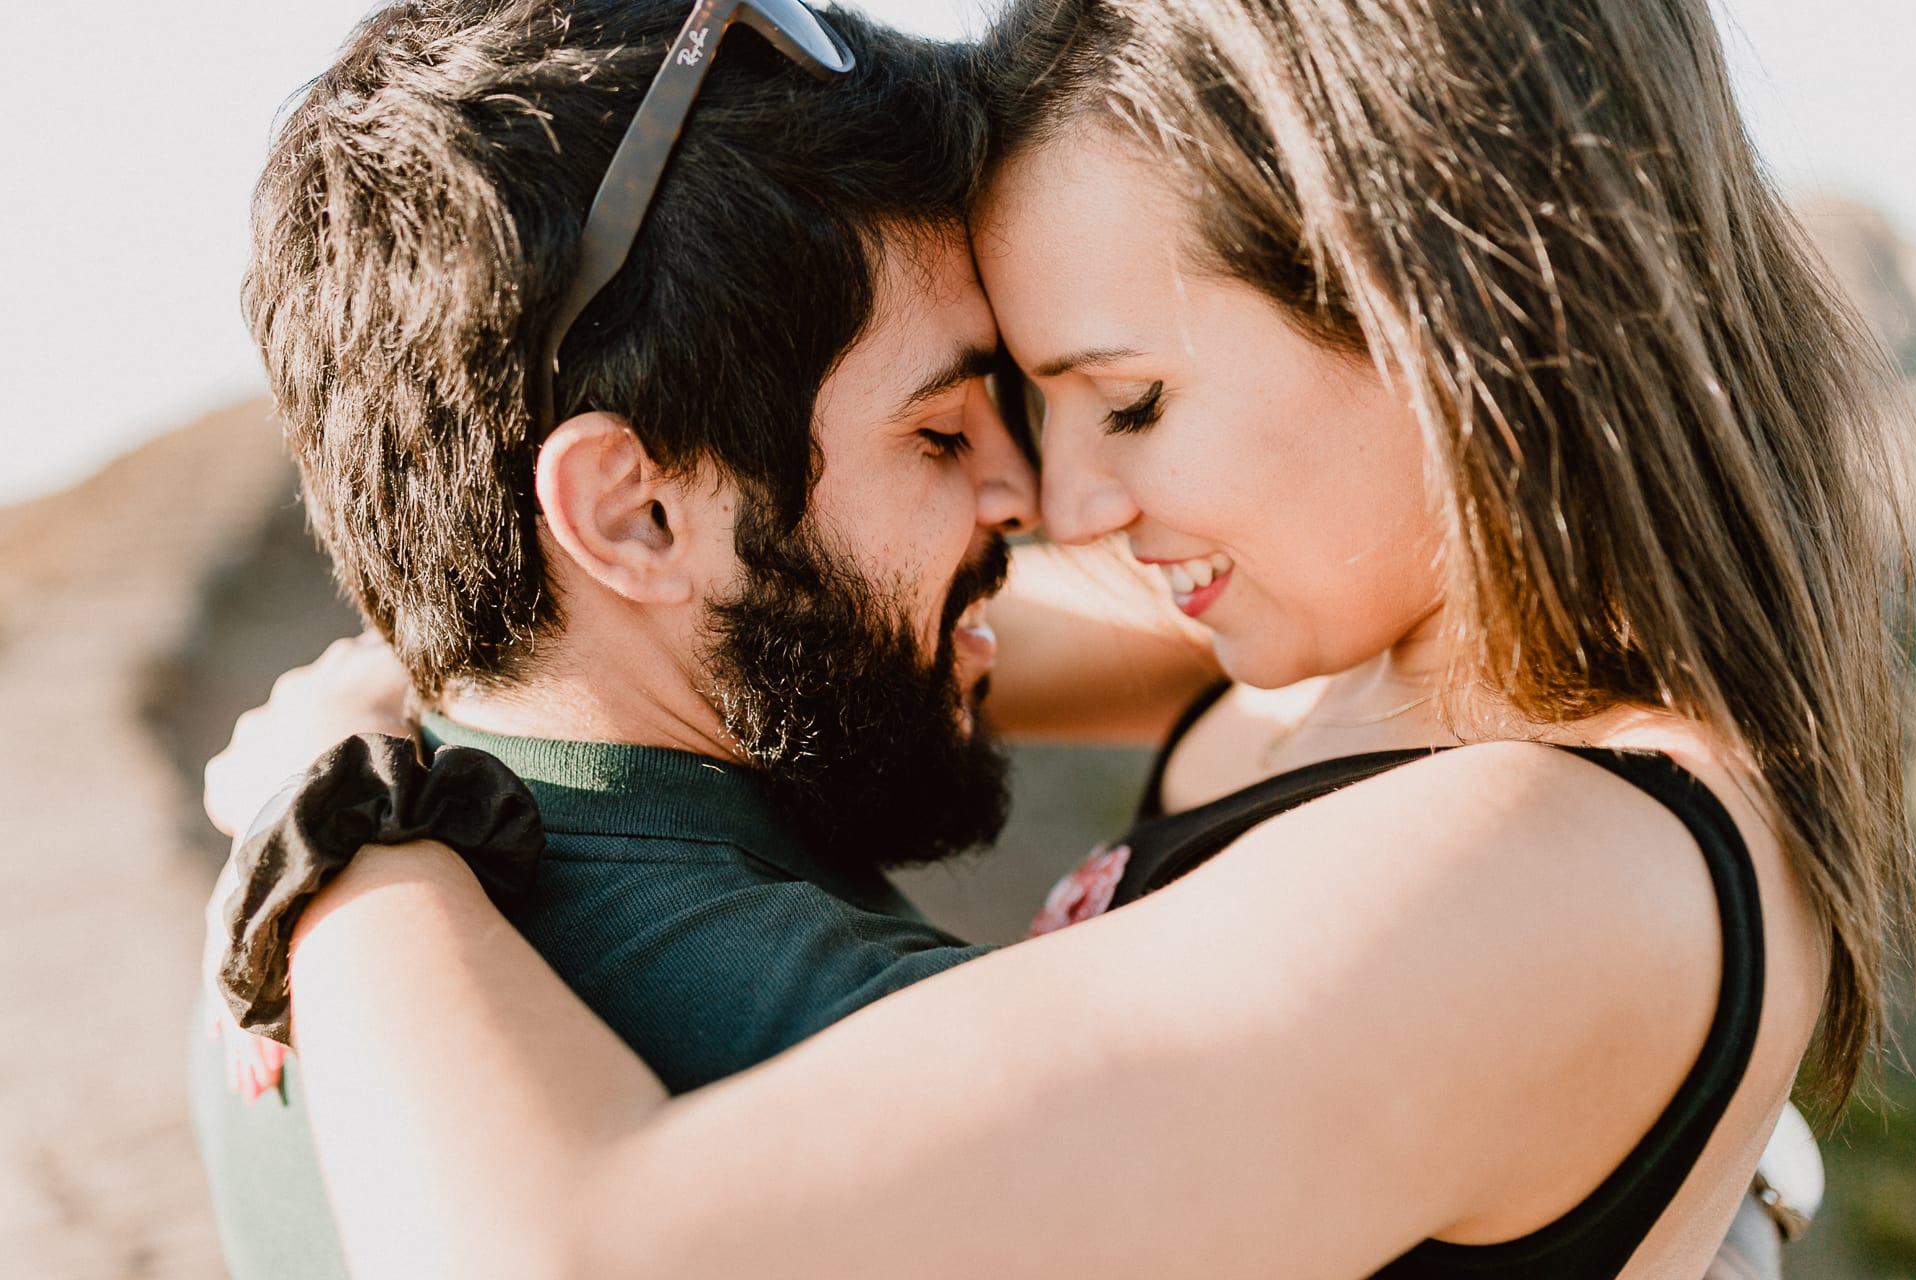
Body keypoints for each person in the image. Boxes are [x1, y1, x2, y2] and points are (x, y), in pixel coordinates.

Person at [212, 0, 1914, 1275]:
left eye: (1129, 399)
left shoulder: (1536, 866)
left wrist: (351, 833)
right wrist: (407, 710)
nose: (1062, 503)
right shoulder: (1350, 673)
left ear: (1450, 311)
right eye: (986, 420)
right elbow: (822, 614)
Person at [185, 2, 1209, 1275]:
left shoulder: (318, 910)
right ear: (636, 511)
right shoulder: (871, 1044)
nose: (1031, 498)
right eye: (942, 433)